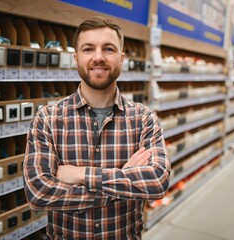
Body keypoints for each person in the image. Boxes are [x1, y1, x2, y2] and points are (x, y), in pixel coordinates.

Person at [23, 16, 170, 239]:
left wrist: (81, 175)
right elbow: (39, 192)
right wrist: (123, 179)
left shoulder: (144, 119)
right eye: (88, 49)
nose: (98, 57)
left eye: (108, 49)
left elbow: (158, 182)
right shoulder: (48, 119)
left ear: (121, 58)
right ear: (76, 58)